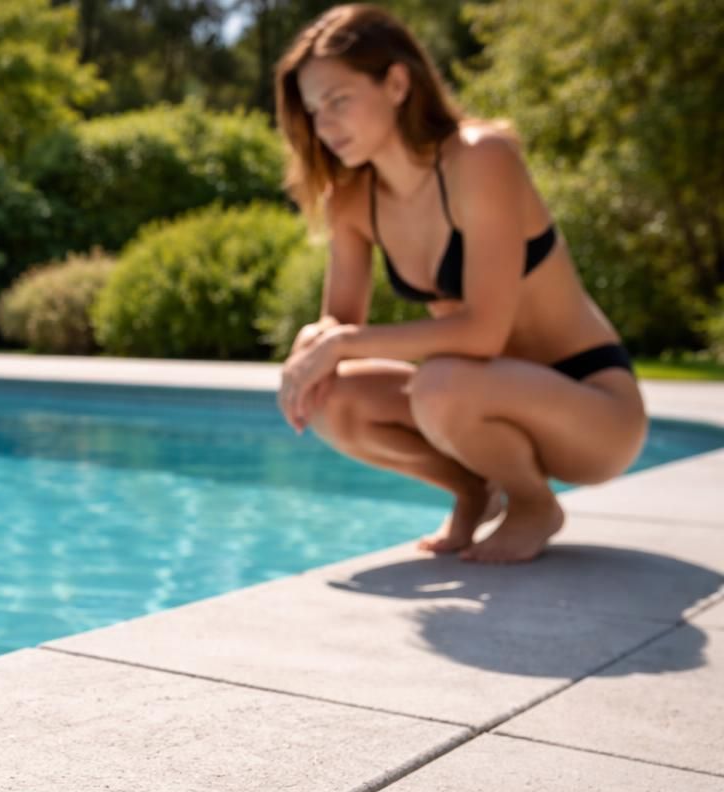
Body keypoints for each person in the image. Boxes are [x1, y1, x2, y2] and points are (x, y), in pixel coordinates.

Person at [272, 3, 647, 564]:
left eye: (339, 100)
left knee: (439, 385)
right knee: (331, 396)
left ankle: (533, 503)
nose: (324, 126)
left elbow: (484, 333)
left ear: (397, 83)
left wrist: (341, 343)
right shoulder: (350, 199)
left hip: (591, 410)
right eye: (312, 109)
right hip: (478, 400)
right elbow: (341, 330)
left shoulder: (481, 157)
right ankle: (474, 490)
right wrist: (314, 343)